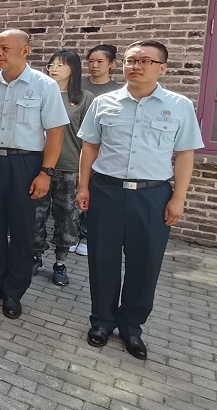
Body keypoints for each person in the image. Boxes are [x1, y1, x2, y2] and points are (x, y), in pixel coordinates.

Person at [77, 41, 203, 360]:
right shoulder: (104, 103)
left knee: (145, 264)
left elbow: (185, 154)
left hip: (152, 195)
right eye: (131, 60)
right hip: (106, 191)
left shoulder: (179, 106)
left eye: (145, 61)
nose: (136, 66)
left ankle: (131, 326)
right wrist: (83, 187)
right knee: (102, 261)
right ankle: (102, 321)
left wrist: (178, 198)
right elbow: (90, 147)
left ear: (162, 68)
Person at [0, 29, 68, 319]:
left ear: (25, 51)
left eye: (5, 48)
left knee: (22, 230)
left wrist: (46, 172)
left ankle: (14, 291)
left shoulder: (44, 86)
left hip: (26, 164)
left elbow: (56, 132)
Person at [33, 50, 94, 286]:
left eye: (61, 65)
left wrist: (84, 174)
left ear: (73, 69)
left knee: (67, 217)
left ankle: (60, 262)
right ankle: (35, 256)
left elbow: (89, 140)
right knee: (36, 214)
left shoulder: (84, 98)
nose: (54, 69)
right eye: (52, 65)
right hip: (39, 166)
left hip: (69, 166)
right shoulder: (39, 93)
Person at [72, 43, 122, 255]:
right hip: (74, 148)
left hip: (101, 153)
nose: (94, 65)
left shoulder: (117, 92)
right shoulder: (78, 86)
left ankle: (86, 235)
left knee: (91, 194)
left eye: (100, 61)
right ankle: (71, 235)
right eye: (91, 61)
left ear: (112, 64)